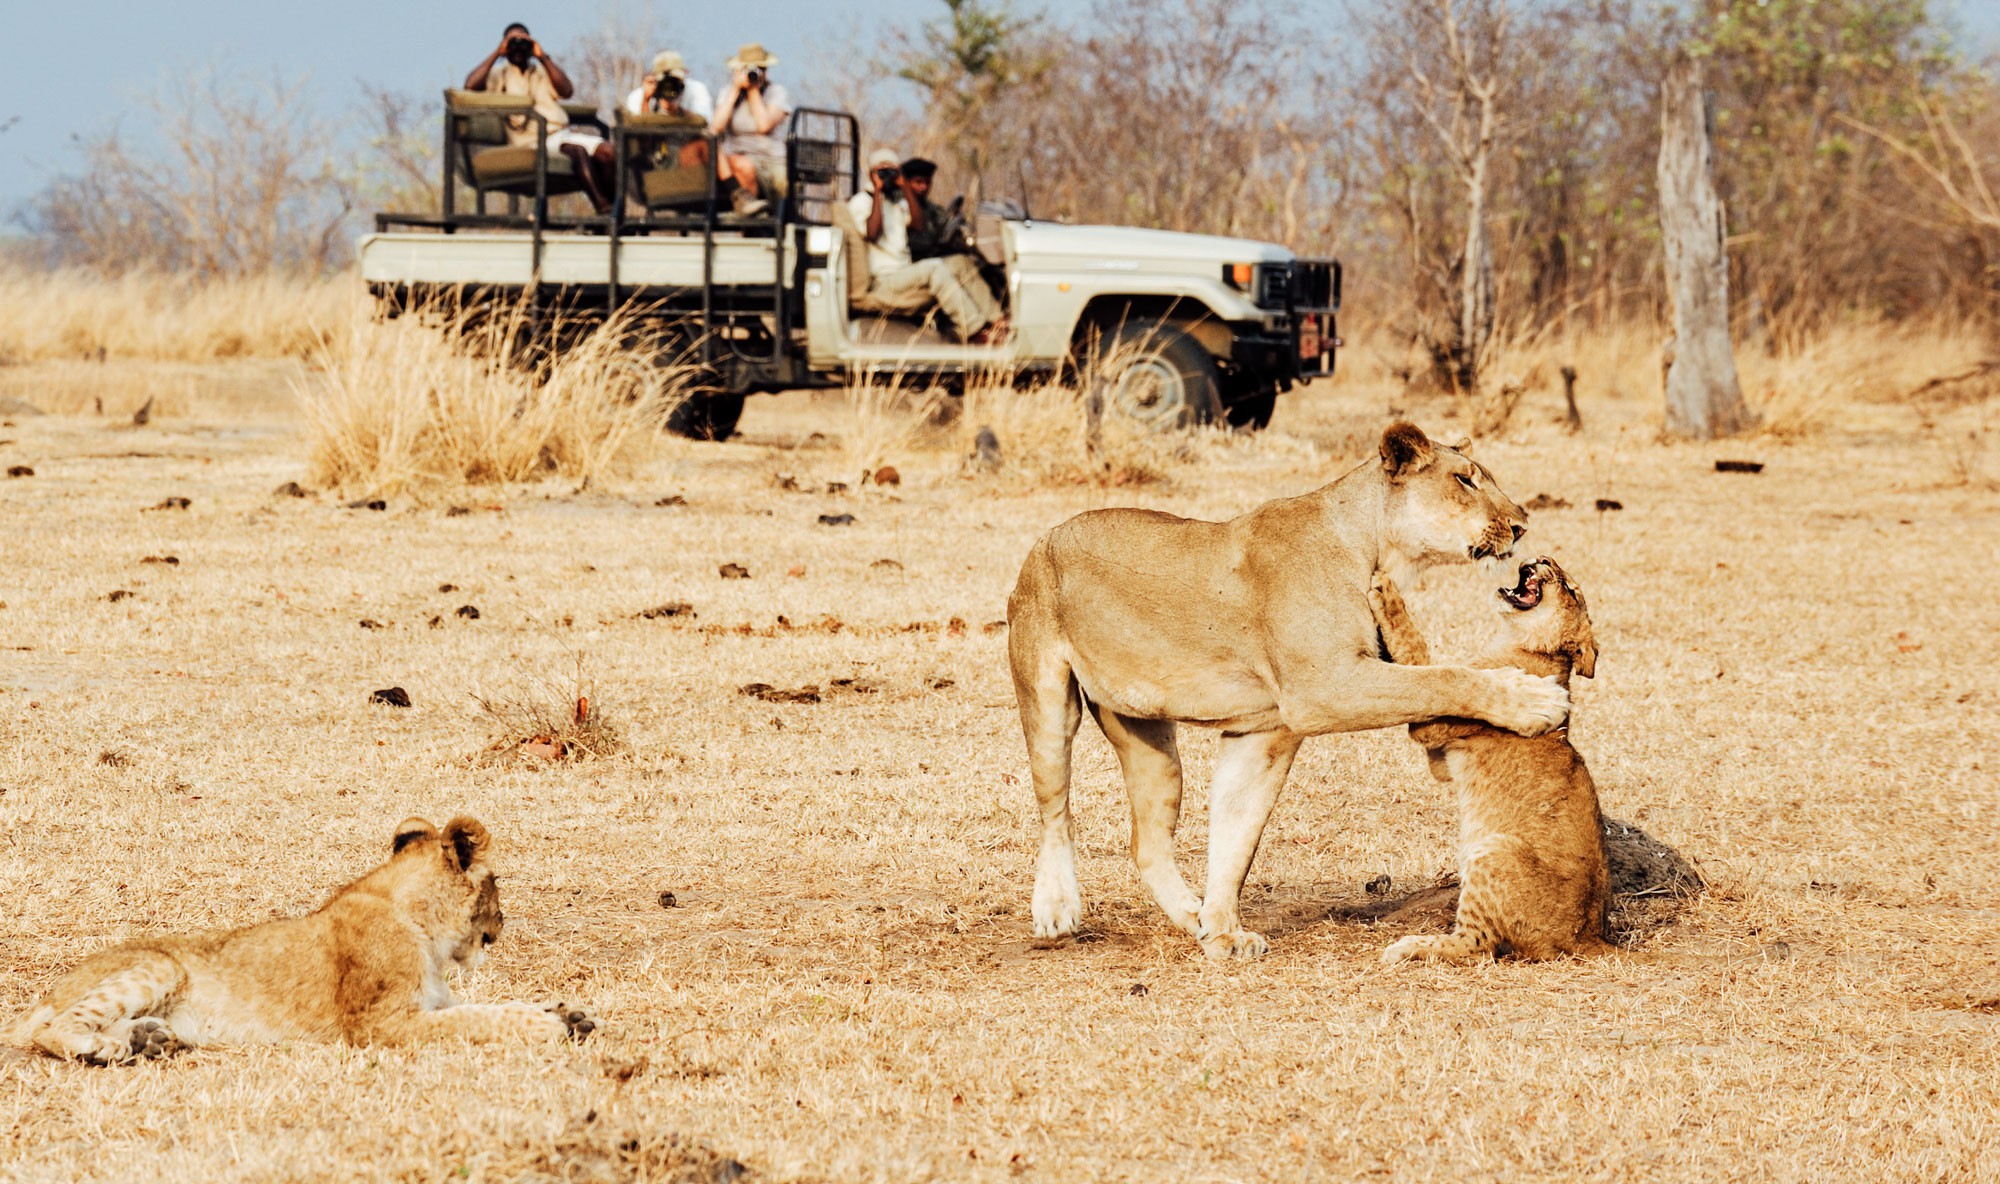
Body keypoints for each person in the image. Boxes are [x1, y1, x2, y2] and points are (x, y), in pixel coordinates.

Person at [846, 148, 1008, 344]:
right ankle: (974, 330)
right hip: (884, 279)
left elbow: (919, 224)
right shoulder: (862, 202)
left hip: (904, 273)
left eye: (892, 170)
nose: (887, 175)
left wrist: (904, 186)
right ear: (871, 174)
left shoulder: (897, 201)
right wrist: (878, 191)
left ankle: (997, 320)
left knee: (960, 262)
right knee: (934, 269)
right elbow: (872, 233)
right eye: (882, 171)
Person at [464, 23, 615, 214]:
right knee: (577, 152)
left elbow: (566, 91)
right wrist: (497, 53)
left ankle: (613, 213)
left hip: (560, 134)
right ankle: (604, 209)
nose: (518, 47)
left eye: (523, 41)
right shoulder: (498, 74)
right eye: (513, 42)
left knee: (610, 153)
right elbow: (470, 85)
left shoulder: (543, 71)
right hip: (531, 142)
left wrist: (542, 57)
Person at [709, 43, 791, 217]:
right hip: (736, 159)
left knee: (784, 183)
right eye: (748, 69)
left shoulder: (776, 92)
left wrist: (753, 90)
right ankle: (750, 212)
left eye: (761, 68)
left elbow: (764, 126)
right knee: (738, 162)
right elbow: (715, 127)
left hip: (771, 159)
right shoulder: (728, 93)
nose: (755, 73)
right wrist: (735, 90)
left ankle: (773, 215)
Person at [624, 51, 714, 174]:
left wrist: (676, 110)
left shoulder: (696, 90)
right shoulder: (638, 95)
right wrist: (646, 100)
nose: (669, 86)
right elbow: (637, 134)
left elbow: (706, 124)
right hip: (651, 156)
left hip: (686, 151)